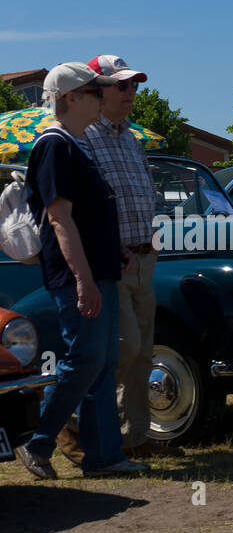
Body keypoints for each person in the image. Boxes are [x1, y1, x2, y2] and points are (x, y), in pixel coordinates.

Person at [14, 64, 147, 480]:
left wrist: (115, 250)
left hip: (99, 269)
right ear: (70, 98)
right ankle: (36, 440)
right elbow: (60, 219)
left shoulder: (76, 145)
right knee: (85, 358)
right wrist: (83, 279)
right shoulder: (55, 145)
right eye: (94, 92)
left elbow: (86, 216)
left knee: (102, 361)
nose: (101, 98)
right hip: (77, 275)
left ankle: (104, 456)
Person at [64, 53, 167, 461]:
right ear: (98, 91)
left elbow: (145, 194)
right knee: (123, 348)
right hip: (110, 260)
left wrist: (152, 238)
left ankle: (134, 438)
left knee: (143, 352)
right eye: (121, 85)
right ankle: (69, 423)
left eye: (134, 85)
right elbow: (77, 208)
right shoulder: (82, 138)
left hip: (144, 256)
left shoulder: (130, 137)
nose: (130, 93)